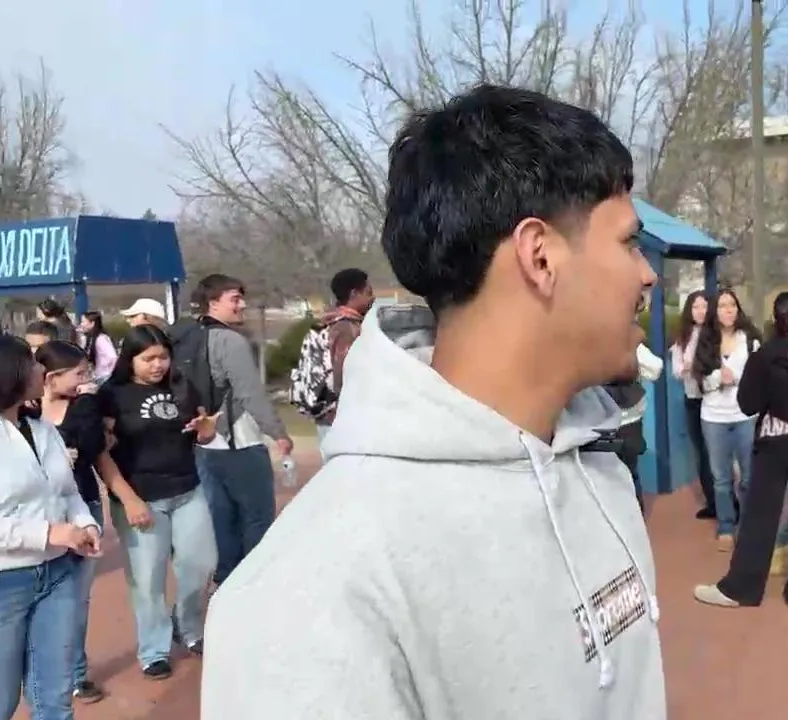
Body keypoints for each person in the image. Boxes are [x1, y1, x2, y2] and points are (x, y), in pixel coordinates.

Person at [201, 84, 665, 719]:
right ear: (539, 255)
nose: (648, 274)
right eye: (629, 242)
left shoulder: (600, 469)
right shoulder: (305, 596)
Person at [0, 335, 103, 720]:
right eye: (32, 363)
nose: (41, 370)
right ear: (6, 374)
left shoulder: (42, 428)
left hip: (58, 574)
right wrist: (46, 533)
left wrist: (84, 523)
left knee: (55, 698)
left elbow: (66, 492)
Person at [693, 291, 788, 610]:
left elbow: (747, 404)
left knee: (761, 515)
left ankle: (742, 589)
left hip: (774, 443)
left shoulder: (764, 355)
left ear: (775, 318)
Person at [99, 325, 220, 681]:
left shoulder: (181, 386)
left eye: (163, 357)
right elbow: (102, 454)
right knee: (147, 579)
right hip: (141, 498)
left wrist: (206, 431)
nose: (158, 365)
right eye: (148, 358)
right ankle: (154, 650)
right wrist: (128, 499)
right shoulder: (112, 395)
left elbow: (202, 432)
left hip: (187, 490)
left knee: (201, 564)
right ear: (130, 359)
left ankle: (188, 627)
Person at [171, 274, 293, 587]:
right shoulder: (230, 341)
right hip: (239, 442)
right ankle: (253, 586)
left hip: (204, 443)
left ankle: (225, 584)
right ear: (213, 303)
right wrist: (278, 432)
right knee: (256, 518)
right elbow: (250, 393)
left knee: (221, 520)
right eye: (234, 299)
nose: (242, 305)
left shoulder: (189, 336)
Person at [31, 341, 117, 704]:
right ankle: (38, 673)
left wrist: (89, 405)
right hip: (37, 519)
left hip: (81, 507)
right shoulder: (24, 412)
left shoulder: (84, 407)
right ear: (51, 378)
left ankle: (76, 673)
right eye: (79, 373)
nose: (86, 379)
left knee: (74, 599)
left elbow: (92, 449)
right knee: (33, 598)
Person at [690, 289, 762, 552]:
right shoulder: (705, 341)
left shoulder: (750, 339)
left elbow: (760, 375)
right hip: (713, 417)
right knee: (720, 479)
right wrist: (718, 378)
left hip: (745, 415)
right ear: (715, 311)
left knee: (748, 477)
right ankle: (726, 527)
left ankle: (751, 526)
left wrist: (738, 378)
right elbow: (699, 381)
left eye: (732, 305)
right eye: (722, 306)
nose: (728, 310)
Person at [305, 268, 375, 455]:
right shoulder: (346, 328)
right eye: (368, 292)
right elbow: (347, 375)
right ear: (354, 294)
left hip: (326, 414)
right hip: (343, 418)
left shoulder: (327, 323)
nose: (373, 298)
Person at [669, 291, 716, 520]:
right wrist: (687, 367)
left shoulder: (716, 334)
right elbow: (677, 370)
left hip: (714, 399)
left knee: (717, 452)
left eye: (704, 306)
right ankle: (712, 501)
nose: (700, 311)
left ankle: (728, 501)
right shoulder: (683, 338)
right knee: (702, 452)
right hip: (693, 399)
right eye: (695, 307)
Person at [603, 340, 664, 515]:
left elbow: (655, 368)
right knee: (616, 476)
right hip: (603, 421)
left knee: (625, 474)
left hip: (623, 420)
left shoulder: (627, 340)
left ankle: (632, 519)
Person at [78, 311, 118, 383]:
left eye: (83, 322)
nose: (81, 324)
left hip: (104, 376)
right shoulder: (91, 338)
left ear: (92, 323)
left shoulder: (101, 339)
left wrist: (106, 369)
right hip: (99, 376)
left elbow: (113, 357)